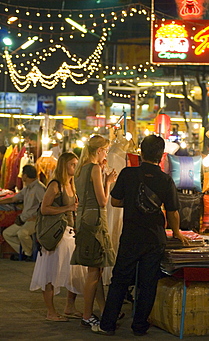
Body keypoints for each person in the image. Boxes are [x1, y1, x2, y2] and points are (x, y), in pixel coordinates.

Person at [92, 134, 189, 336]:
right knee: (147, 284)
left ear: (141, 153)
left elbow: (115, 202)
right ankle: (139, 326)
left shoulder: (128, 174)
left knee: (119, 280)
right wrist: (177, 232)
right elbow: (173, 212)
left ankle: (107, 325)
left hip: (131, 236)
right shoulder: (166, 179)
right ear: (161, 156)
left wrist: (134, 203)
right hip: (155, 239)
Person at [30, 152, 86, 322]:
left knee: (74, 272)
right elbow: (44, 209)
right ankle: (51, 312)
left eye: (76, 164)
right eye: (72, 164)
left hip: (70, 233)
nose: (75, 167)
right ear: (64, 166)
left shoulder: (72, 184)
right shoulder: (56, 185)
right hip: (56, 235)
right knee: (50, 273)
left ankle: (70, 307)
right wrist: (67, 208)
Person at [71, 135, 117, 328]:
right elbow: (103, 201)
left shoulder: (81, 169)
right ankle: (87, 315)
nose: (106, 153)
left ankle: (101, 309)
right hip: (94, 221)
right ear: (99, 151)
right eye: (105, 150)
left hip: (82, 218)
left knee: (95, 268)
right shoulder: (94, 168)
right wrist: (109, 181)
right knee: (93, 272)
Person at [2, 164, 46, 260]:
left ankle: (29, 254)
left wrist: (36, 217)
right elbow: (14, 199)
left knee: (22, 233)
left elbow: (44, 204)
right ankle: (24, 252)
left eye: (22, 174)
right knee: (7, 233)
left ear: (25, 175)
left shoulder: (39, 188)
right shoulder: (27, 188)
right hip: (24, 219)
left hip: (35, 220)